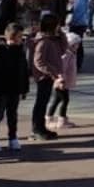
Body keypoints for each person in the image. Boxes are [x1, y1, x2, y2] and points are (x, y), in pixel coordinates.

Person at [0, 23, 30, 153]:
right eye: (20, 36)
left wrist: (24, 89)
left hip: (15, 88)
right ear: (12, 37)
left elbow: (24, 72)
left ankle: (12, 137)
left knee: (12, 115)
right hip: (1, 89)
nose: (21, 39)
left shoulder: (20, 52)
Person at [30, 13, 65, 141]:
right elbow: (38, 61)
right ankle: (36, 129)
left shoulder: (53, 40)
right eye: (57, 25)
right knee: (41, 102)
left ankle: (41, 127)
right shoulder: (43, 41)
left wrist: (61, 34)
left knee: (44, 102)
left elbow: (63, 49)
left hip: (50, 76)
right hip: (43, 77)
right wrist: (51, 72)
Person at [48, 28, 82, 129]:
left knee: (57, 100)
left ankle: (51, 118)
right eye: (76, 44)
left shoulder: (71, 54)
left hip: (64, 82)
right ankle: (61, 120)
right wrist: (61, 80)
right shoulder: (66, 55)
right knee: (64, 100)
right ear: (71, 44)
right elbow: (61, 68)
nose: (78, 46)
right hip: (61, 82)